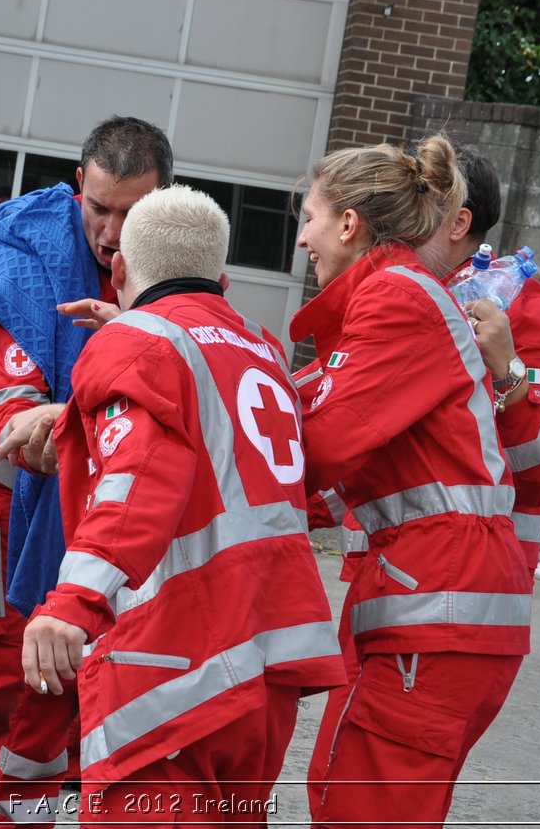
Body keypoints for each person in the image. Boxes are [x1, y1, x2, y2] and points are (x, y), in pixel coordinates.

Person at [21, 185, 345, 822]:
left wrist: (72, 603)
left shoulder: (135, 341)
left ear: (117, 271)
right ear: (220, 280)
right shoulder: (262, 347)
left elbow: (139, 477)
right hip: (270, 663)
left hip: (178, 662)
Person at [0, 117, 170, 825]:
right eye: (99, 207)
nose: (113, 231)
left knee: (57, 699)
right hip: (1, 519)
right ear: (76, 189)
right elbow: (21, 431)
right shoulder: (26, 254)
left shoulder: (171, 258)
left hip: (86, 526)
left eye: (132, 212)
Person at [290, 137, 530, 829]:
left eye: (309, 215)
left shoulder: (393, 299)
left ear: (348, 223)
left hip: (435, 609)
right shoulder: (399, 296)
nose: (302, 235)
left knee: (358, 808)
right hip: (445, 608)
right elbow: (333, 436)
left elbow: (320, 440)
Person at [416, 149, 540, 582]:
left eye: (412, 206)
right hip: (389, 568)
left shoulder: (532, 311)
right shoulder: (407, 294)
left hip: (475, 579)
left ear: (457, 223)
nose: (393, 221)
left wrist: (508, 376)